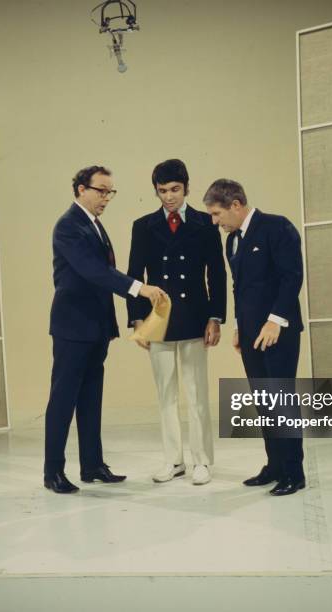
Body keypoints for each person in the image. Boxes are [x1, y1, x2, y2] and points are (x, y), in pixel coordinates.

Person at [44, 165, 166, 494]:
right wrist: (140, 288)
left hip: (96, 326)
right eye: (101, 191)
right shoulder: (69, 226)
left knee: (90, 398)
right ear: (81, 189)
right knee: (63, 400)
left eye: (110, 192)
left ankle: (92, 464)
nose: (106, 198)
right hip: (72, 326)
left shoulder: (94, 225)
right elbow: (94, 271)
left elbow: (102, 272)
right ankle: (53, 471)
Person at [203, 178, 305, 496]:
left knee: (281, 401)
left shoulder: (277, 227)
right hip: (250, 334)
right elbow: (240, 288)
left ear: (236, 205)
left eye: (218, 213)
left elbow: (292, 277)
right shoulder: (232, 240)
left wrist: (275, 321)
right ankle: (274, 465)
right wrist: (238, 326)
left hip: (278, 332)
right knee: (263, 403)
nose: (215, 221)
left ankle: (294, 472)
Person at [127, 159, 226, 485]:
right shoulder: (143, 226)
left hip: (196, 318)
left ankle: (202, 461)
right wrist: (136, 320)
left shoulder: (205, 223)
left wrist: (215, 317)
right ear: (155, 191)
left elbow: (217, 274)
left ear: (186, 188)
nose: (168, 197)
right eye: (162, 191)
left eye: (174, 190)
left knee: (197, 394)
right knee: (165, 395)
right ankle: (173, 460)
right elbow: (134, 276)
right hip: (160, 321)